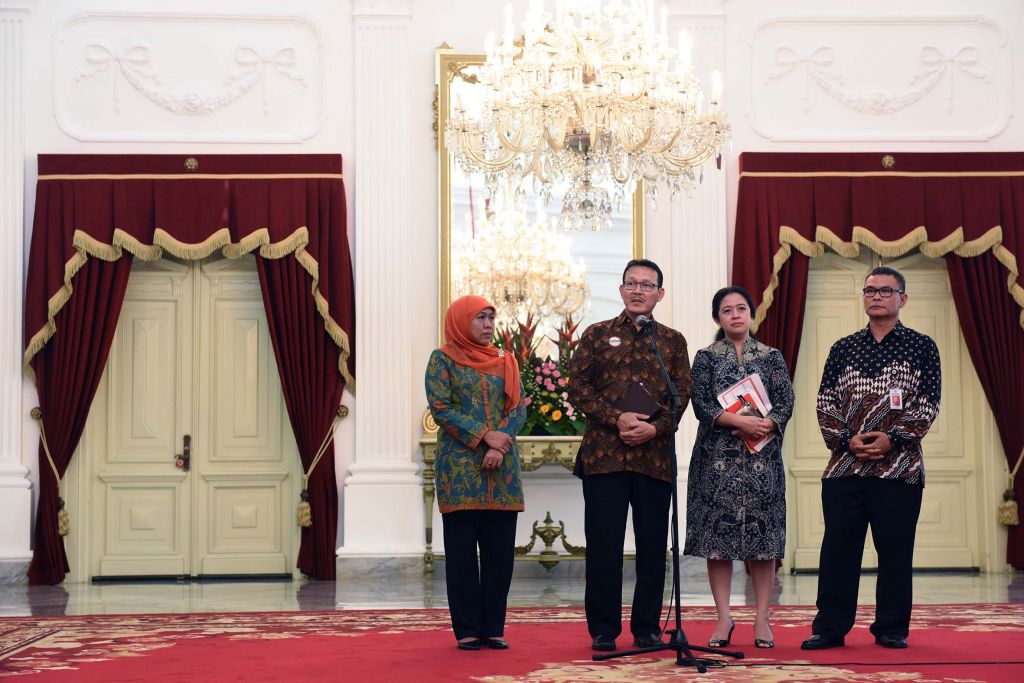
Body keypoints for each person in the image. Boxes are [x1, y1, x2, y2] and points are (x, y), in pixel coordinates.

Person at [802, 266, 941, 651]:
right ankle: (830, 628)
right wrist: (847, 442)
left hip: (899, 472)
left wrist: (892, 438)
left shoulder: (922, 347)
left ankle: (891, 628)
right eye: (869, 291)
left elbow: (928, 404)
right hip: (845, 469)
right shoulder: (842, 348)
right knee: (837, 553)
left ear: (903, 299)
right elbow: (824, 401)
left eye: (885, 290)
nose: (876, 296)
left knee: (896, 552)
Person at [568, 259, 692, 652]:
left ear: (660, 293)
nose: (638, 291)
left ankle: (647, 628)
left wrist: (655, 428)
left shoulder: (672, 341)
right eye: (632, 284)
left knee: (653, 549)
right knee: (603, 547)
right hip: (605, 458)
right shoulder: (597, 334)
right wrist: (616, 416)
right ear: (621, 290)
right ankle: (603, 630)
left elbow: (682, 395)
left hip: (652, 459)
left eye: (647, 285)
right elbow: (578, 388)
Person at [684, 286, 794, 649]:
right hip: (716, 462)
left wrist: (769, 423)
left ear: (751, 314)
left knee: (763, 541)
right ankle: (723, 617)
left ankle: (762, 618)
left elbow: (785, 400)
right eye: (727, 310)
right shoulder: (706, 357)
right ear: (717, 318)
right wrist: (737, 421)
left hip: (762, 460)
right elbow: (700, 404)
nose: (735, 315)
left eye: (741, 308)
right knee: (718, 542)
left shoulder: (771, 356)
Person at [425, 295, 527, 651]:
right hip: (460, 468)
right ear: (460, 321)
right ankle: (467, 629)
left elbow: (518, 408)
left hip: (503, 470)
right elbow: (440, 408)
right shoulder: (443, 359)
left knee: (500, 554)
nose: (488, 325)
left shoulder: (506, 360)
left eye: (491, 318)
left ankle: (494, 627)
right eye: (480, 318)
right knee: (463, 553)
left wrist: (499, 445)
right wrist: (485, 437)